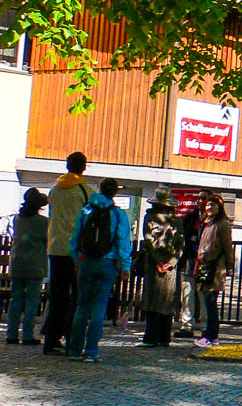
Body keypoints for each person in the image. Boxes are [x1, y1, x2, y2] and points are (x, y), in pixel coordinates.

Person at [66, 178, 131, 362]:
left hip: (86, 262)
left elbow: (74, 238)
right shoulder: (118, 214)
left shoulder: (86, 210)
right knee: (100, 307)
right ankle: (92, 351)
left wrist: (78, 259)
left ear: (99, 189)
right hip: (107, 263)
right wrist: (125, 266)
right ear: (114, 193)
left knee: (82, 306)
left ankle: (75, 350)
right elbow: (123, 241)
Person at [41, 152, 90, 355]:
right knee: (77, 297)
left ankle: (51, 340)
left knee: (57, 295)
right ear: (84, 167)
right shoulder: (84, 190)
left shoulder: (54, 189)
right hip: (75, 251)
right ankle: (73, 340)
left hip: (55, 247)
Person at [137, 188, 184, 347]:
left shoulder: (150, 218)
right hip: (170, 268)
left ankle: (150, 337)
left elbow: (148, 241)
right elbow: (181, 246)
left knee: (151, 300)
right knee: (167, 302)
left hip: (153, 264)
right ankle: (165, 337)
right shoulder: (177, 221)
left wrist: (158, 262)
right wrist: (171, 263)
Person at [5, 189, 48, 345]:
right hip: (35, 265)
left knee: (15, 300)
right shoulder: (44, 222)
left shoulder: (17, 219)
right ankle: (28, 335)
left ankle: (11, 334)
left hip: (17, 263)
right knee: (31, 301)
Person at [193, 194, 234, 348]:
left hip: (215, 268)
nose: (209, 208)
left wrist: (229, 267)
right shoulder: (207, 223)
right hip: (205, 266)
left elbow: (227, 247)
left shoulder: (222, 224)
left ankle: (212, 335)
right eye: (208, 205)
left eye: (213, 205)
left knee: (211, 301)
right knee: (207, 300)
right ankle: (209, 335)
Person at [176, 198, 201, 337]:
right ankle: (187, 326)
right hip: (189, 260)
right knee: (187, 294)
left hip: (205, 262)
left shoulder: (215, 221)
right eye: (200, 199)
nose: (202, 202)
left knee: (203, 295)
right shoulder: (190, 218)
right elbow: (183, 237)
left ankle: (205, 326)